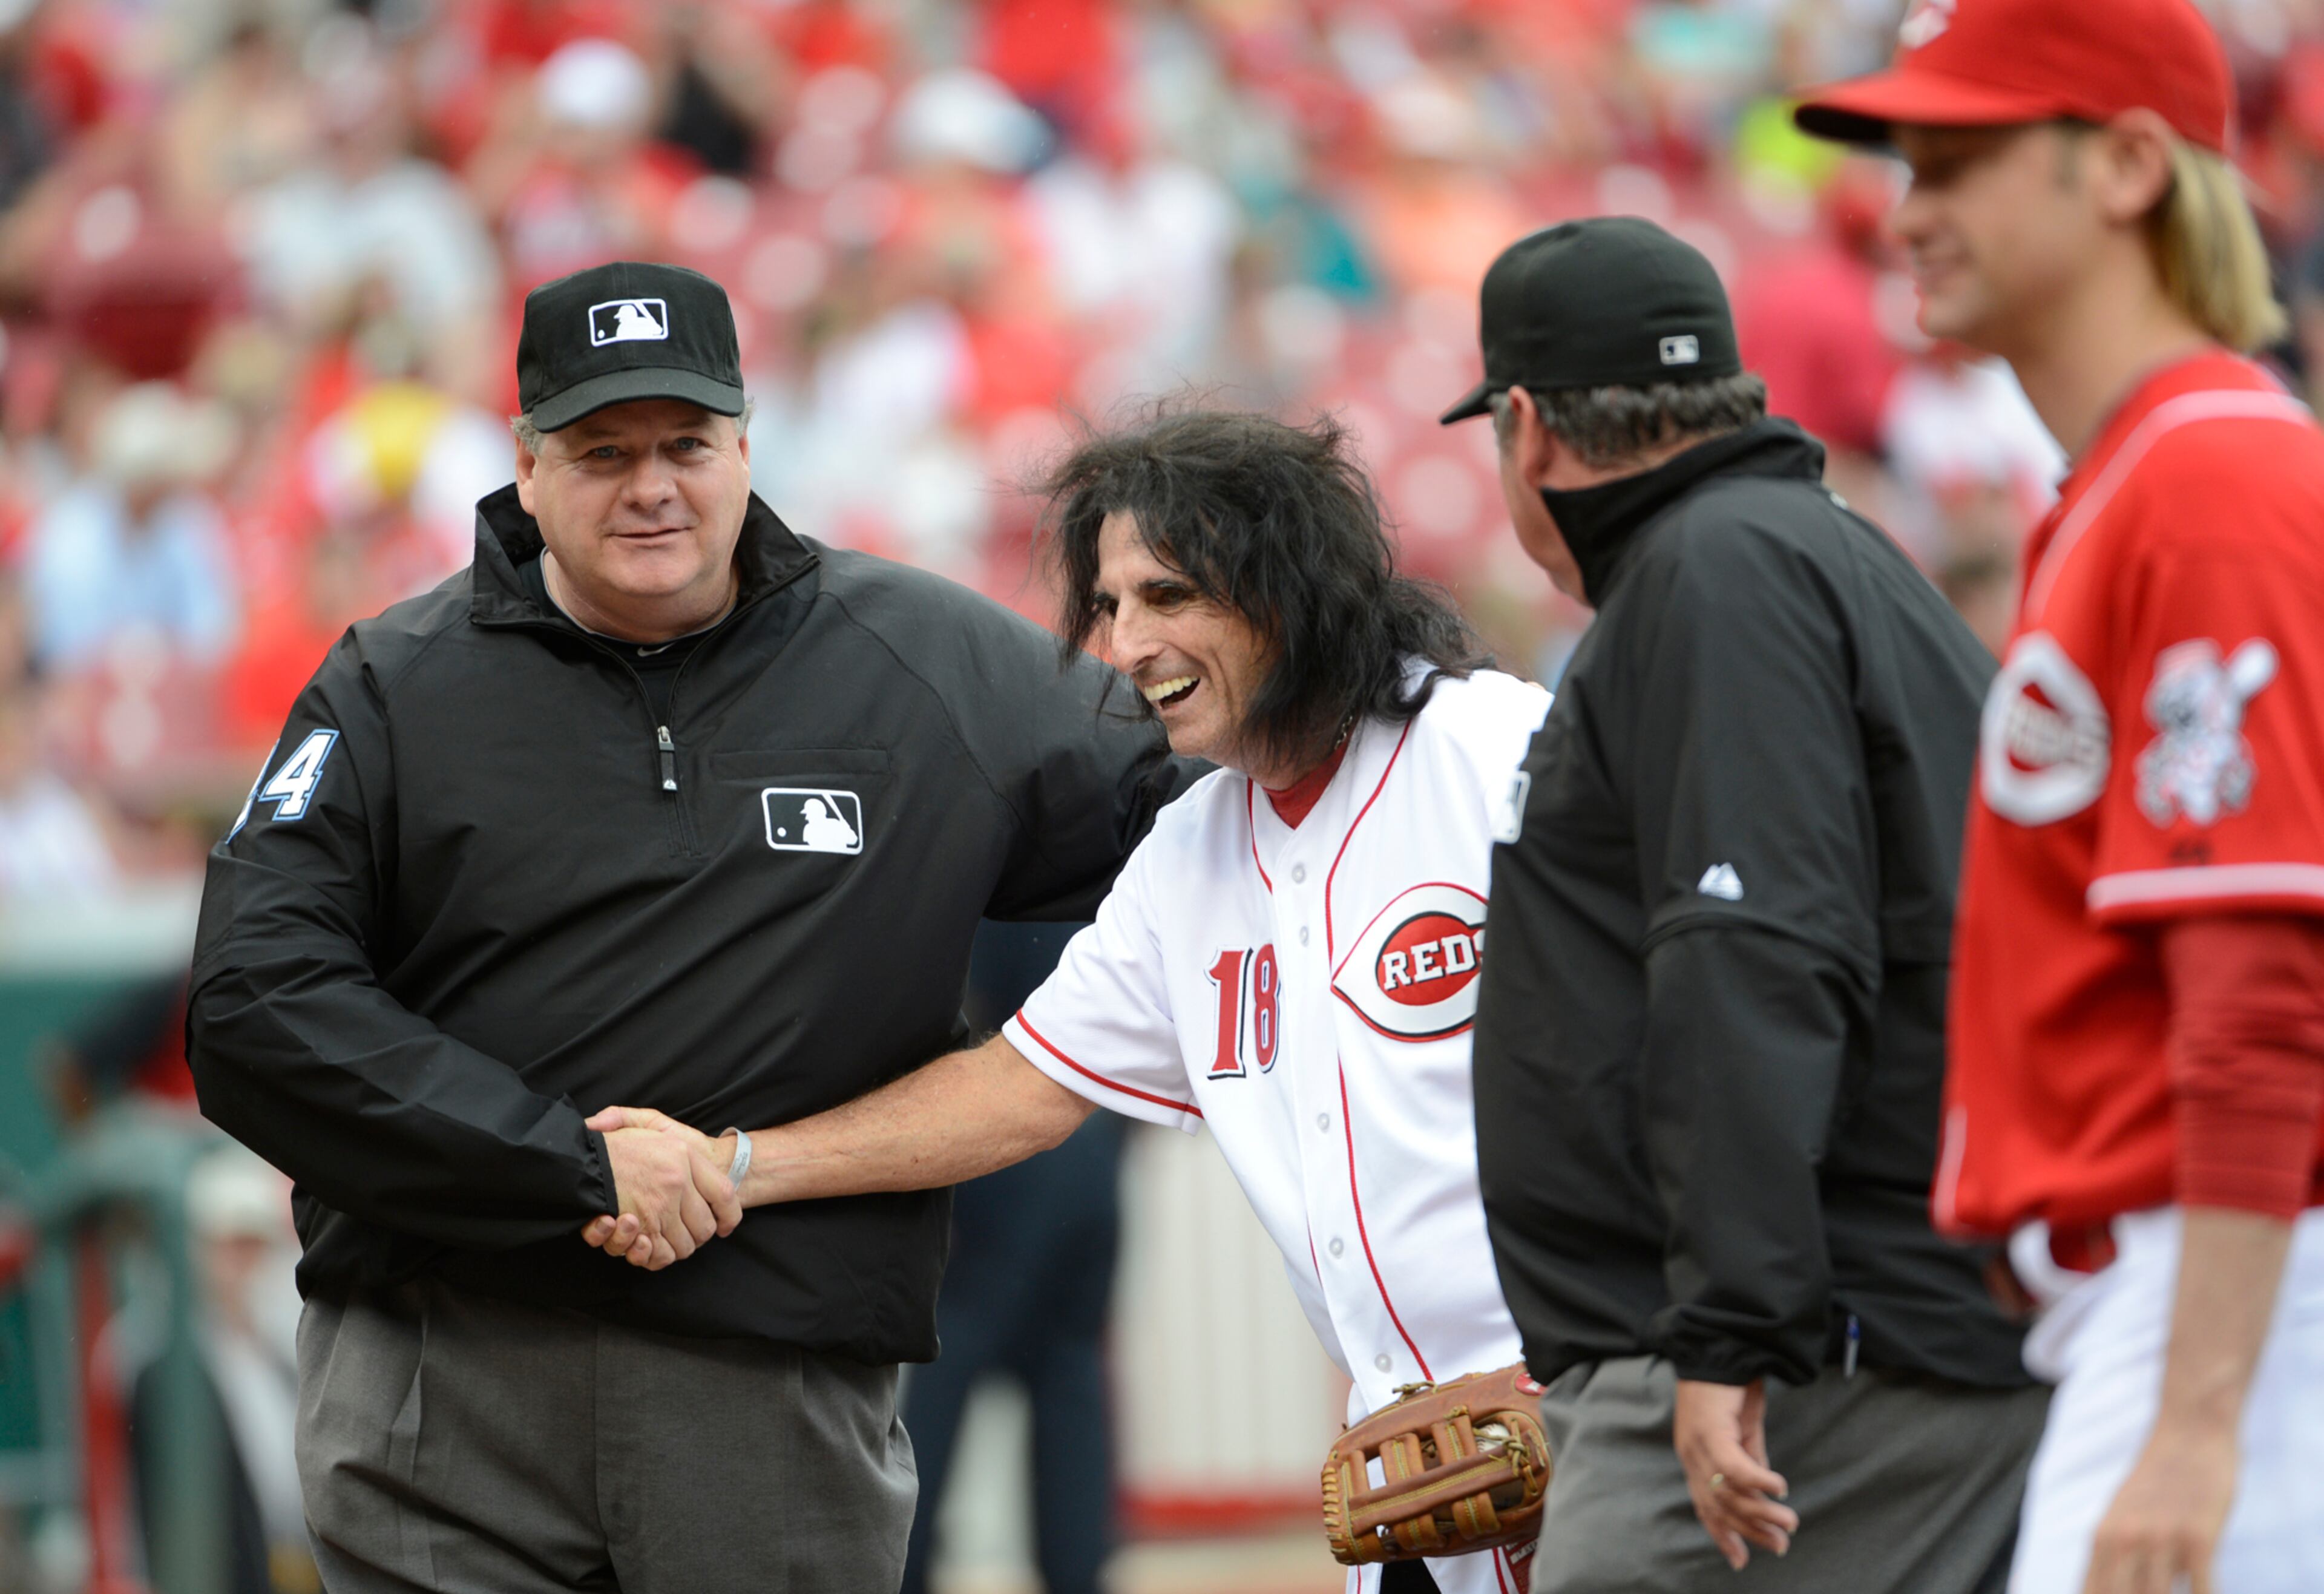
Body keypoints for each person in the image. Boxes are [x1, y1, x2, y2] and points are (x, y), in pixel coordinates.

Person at [184, 260, 1189, 1594]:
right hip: (446, 1383)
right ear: (527, 466)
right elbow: (254, 1007)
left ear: (745, 446)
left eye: (686, 444)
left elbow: (1212, 791)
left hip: (766, 1390)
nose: (652, 485)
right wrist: (569, 1167)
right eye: (603, 452)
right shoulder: (392, 684)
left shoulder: (927, 661)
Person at [588, 407, 1553, 1594]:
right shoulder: (1189, 849)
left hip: (1615, 1425)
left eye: (1168, 596)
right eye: (1108, 606)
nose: (1125, 642)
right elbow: (1019, 1088)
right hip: (1419, 1480)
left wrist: (1648, 1360)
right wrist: (737, 1166)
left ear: (1291, 589)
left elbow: (1711, 1013)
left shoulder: (1499, 754)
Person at [1796, 2, 2324, 1590]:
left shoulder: (2214, 479)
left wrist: (2198, 1417)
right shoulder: (2129, 480)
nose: (1910, 209)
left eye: (1960, 154)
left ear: (2128, 165)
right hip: (2170, 1293)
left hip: (2225, 1287)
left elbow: (2259, 988)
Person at [1449, 217, 2047, 1593]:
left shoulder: (1713, 574)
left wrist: (1733, 1331)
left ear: (1528, 426)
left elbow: (1757, 955)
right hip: (1870, 1323)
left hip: (1822, 1357)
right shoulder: (1812, 550)